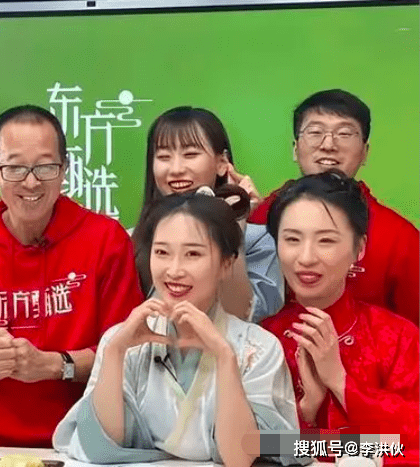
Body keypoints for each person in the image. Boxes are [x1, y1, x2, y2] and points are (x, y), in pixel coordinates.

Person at [0, 105, 144, 447]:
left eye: (45, 167)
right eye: (15, 167)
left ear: (64, 169)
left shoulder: (105, 240)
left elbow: (131, 354)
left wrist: (56, 365)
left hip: (85, 447)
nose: (31, 182)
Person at [54, 191, 299, 465]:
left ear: (226, 264)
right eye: (161, 252)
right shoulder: (123, 341)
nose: (174, 270)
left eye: (193, 254)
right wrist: (114, 353)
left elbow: (240, 458)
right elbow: (101, 446)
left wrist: (224, 357)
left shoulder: (258, 348)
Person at [261, 171, 419, 465]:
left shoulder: (398, 337)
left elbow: (414, 435)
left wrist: (340, 380)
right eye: (292, 239)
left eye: (326, 241)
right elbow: (250, 444)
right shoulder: (262, 341)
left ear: (359, 249)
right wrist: (307, 409)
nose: (306, 257)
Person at [249, 89, 418, 325]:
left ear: (365, 151)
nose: (328, 144)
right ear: (295, 149)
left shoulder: (400, 238)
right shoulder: (260, 218)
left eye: (344, 133)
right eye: (315, 132)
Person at [133, 106, 283, 322]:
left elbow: (243, 316)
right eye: (164, 156)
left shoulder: (257, 240)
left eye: (190, 154)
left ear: (222, 163)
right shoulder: (130, 240)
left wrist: (233, 226)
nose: (176, 169)